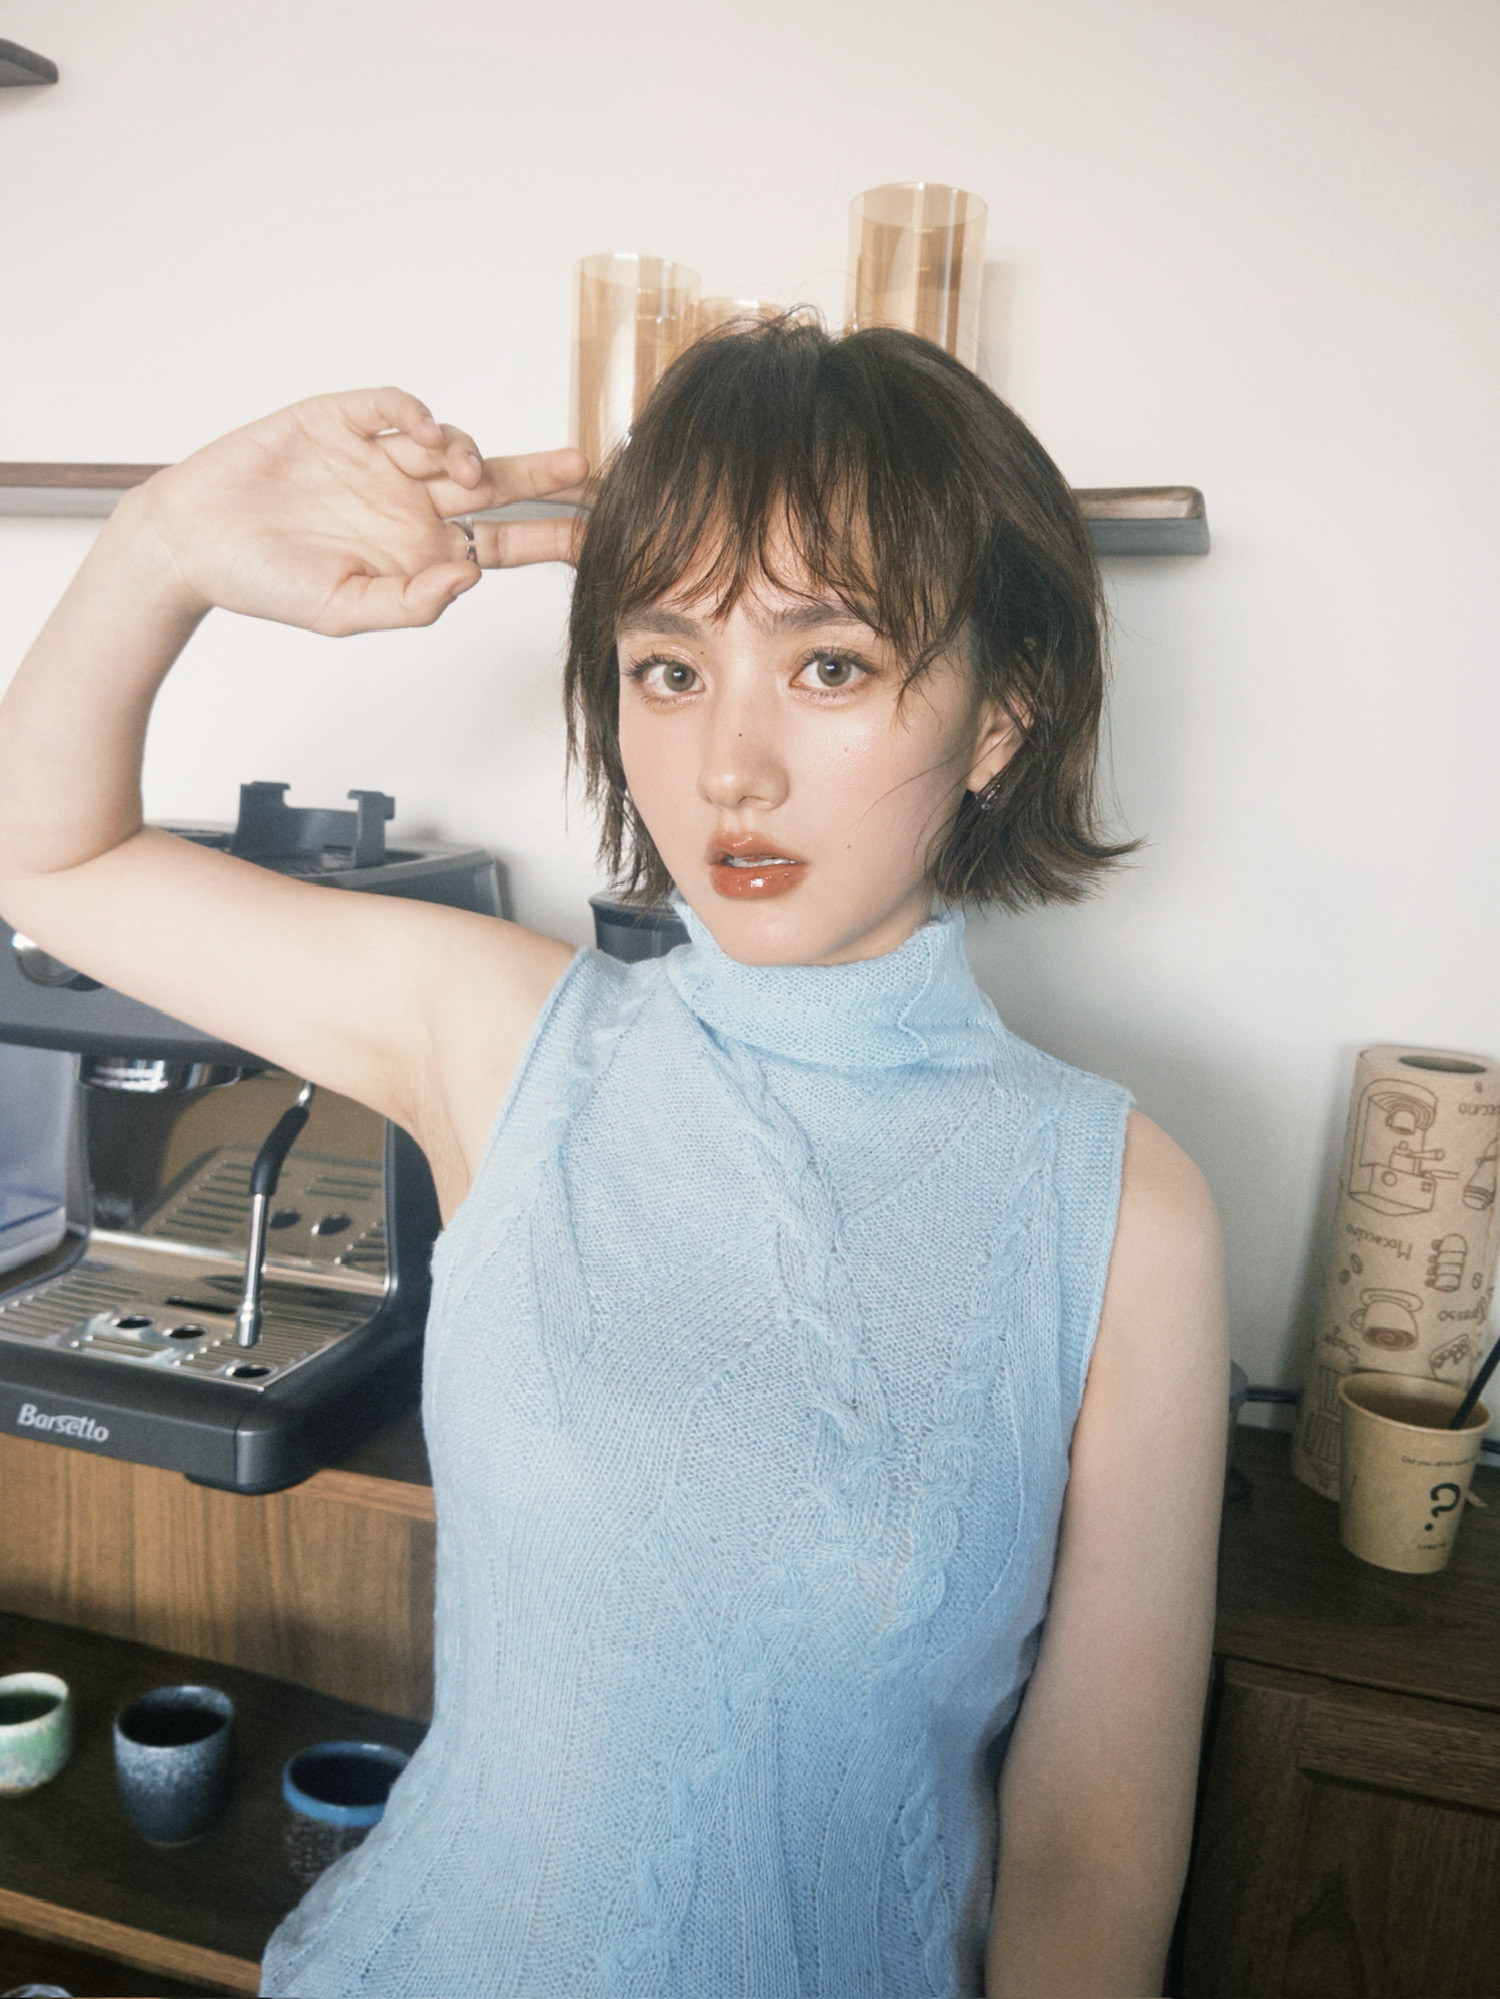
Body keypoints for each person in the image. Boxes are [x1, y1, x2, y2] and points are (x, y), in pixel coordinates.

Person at [0, 319, 1227, 1999]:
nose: (730, 767)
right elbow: (49, 859)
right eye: (669, 667)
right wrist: (160, 545)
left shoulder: (1123, 1212)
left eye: (831, 665)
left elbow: (1087, 1863)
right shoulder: (506, 1040)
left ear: (999, 714)